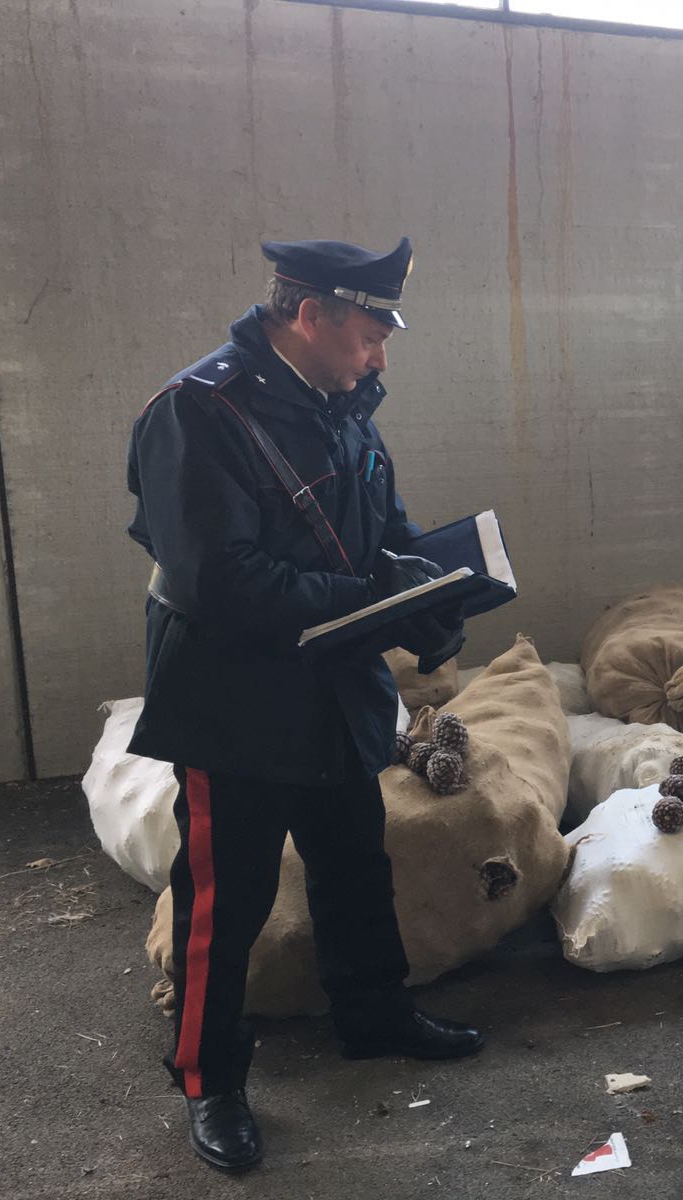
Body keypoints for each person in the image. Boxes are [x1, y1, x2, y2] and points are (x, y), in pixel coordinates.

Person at [126, 237, 482, 1172]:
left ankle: (374, 1014)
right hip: (234, 699)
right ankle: (209, 1079)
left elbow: (381, 524)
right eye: (370, 334)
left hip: (335, 683)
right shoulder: (197, 412)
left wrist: (431, 593)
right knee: (225, 900)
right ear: (310, 314)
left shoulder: (339, 402)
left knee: (355, 860)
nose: (380, 356)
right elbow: (218, 578)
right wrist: (376, 598)